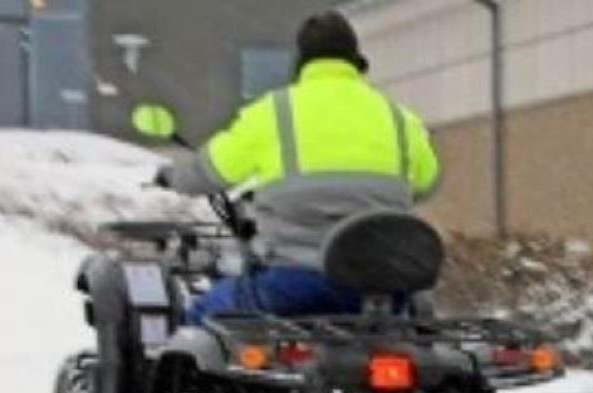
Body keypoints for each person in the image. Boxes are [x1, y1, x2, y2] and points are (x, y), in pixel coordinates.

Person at [157, 11, 441, 323]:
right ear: (357, 62)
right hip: (381, 290)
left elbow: (211, 171)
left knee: (204, 314)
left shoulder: (273, 113)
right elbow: (426, 183)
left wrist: (172, 177)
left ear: (300, 64)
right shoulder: (399, 118)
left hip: (295, 285)